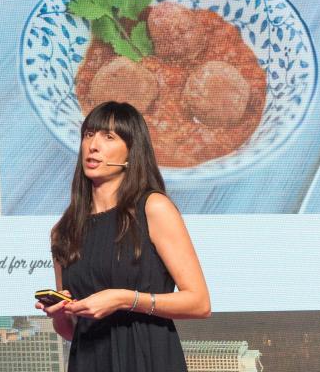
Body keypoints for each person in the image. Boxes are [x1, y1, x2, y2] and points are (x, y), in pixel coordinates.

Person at [36, 101, 210, 371]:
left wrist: (124, 299)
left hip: (148, 358)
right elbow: (73, 331)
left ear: (131, 151)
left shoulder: (154, 208)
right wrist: (59, 315)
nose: (93, 145)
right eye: (89, 134)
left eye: (109, 136)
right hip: (90, 361)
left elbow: (199, 303)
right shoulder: (63, 230)